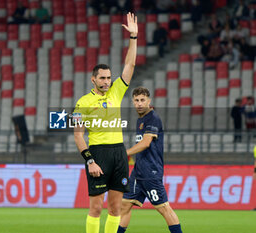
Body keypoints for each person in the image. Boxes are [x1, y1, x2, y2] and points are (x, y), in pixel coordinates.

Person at [73, 12, 137, 233]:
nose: (107, 81)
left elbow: (129, 65)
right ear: (93, 79)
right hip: (98, 153)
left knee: (115, 208)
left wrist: (134, 38)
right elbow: (78, 135)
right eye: (102, 78)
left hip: (119, 152)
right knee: (96, 207)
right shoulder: (83, 102)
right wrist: (90, 161)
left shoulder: (116, 92)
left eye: (109, 77)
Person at [117, 87, 183, 233]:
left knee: (164, 209)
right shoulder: (140, 120)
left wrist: (125, 153)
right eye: (136, 100)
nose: (139, 103)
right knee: (124, 206)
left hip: (150, 173)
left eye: (142, 100)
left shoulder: (153, 118)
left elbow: (145, 143)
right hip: (138, 172)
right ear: (133, 102)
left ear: (149, 101)